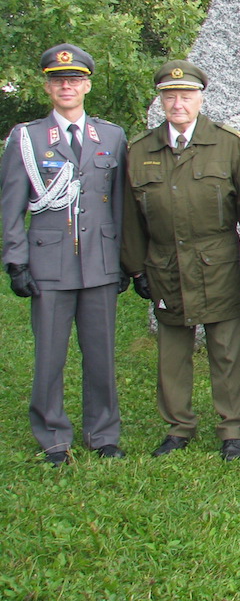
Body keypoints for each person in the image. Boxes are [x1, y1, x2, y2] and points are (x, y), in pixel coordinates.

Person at [121, 60, 240, 461]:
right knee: (173, 351)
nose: (178, 103)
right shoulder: (140, 150)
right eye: (170, 95)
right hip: (165, 264)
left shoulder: (228, 145)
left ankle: (232, 428)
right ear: (161, 99)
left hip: (218, 263)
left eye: (186, 95)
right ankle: (179, 426)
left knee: (227, 348)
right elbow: (131, 218)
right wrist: (137, 268)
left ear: (200, 98)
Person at [0, 44, 127, 464]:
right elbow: (12, 205)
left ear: (88, 85)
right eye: (58, 80)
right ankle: (53, 434)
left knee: (101, 354)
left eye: (74, 79)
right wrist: (16, 260)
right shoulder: (28, 138)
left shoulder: (110, 136)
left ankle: (103, 432)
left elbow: (120, 203)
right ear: (48, 87)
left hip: (100, 264)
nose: (67, 86)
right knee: (50, 356)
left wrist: (124, 258)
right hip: (49, 265)